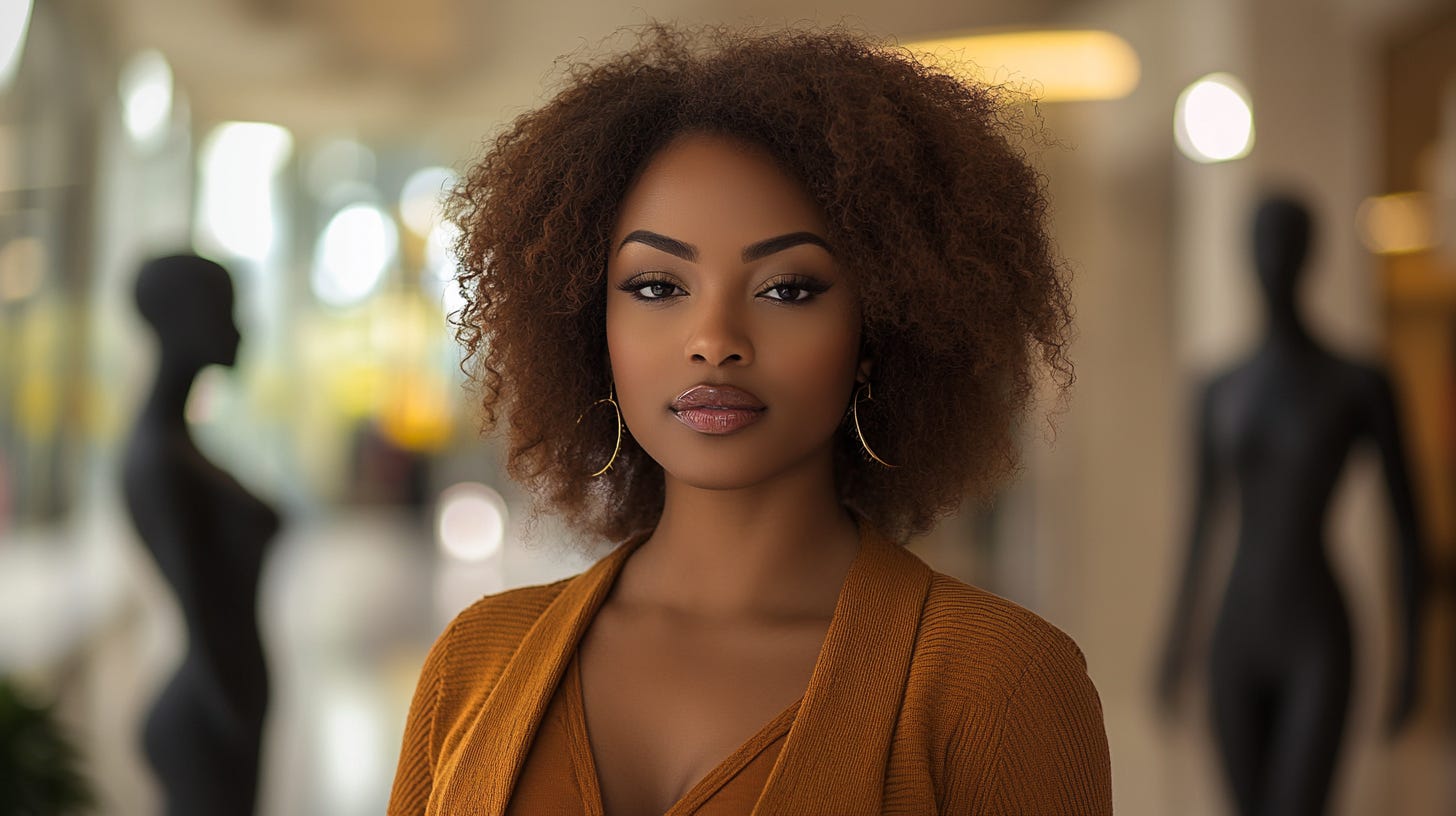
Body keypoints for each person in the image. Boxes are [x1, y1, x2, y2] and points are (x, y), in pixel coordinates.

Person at [389, 24, 1112, 815]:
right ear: (589, 328)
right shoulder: (475, 662)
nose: (715, 342)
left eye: (788, 289)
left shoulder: (1000, 683)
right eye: (659, 287)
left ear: (878, 333)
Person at [1156, 195, 1425, 816]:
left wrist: (1417, 660)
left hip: (1317, 635)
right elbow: (1200, 525)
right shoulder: (1217, 389)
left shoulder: (1358, 382)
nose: (1274, 257)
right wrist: (1176, 642)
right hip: (1237, 634)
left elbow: (1408, 527)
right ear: (1246, 256)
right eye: (1262, 242)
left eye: (1287, 241)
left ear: (1311, 254)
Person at [123, 254, 279, 816]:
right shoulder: (159, 462)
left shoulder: (179, 447)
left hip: (222, 702)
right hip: (210, 711)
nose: (241, 328)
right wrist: (236, 716)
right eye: (226, 310)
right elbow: (203, 606)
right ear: (183, 318)